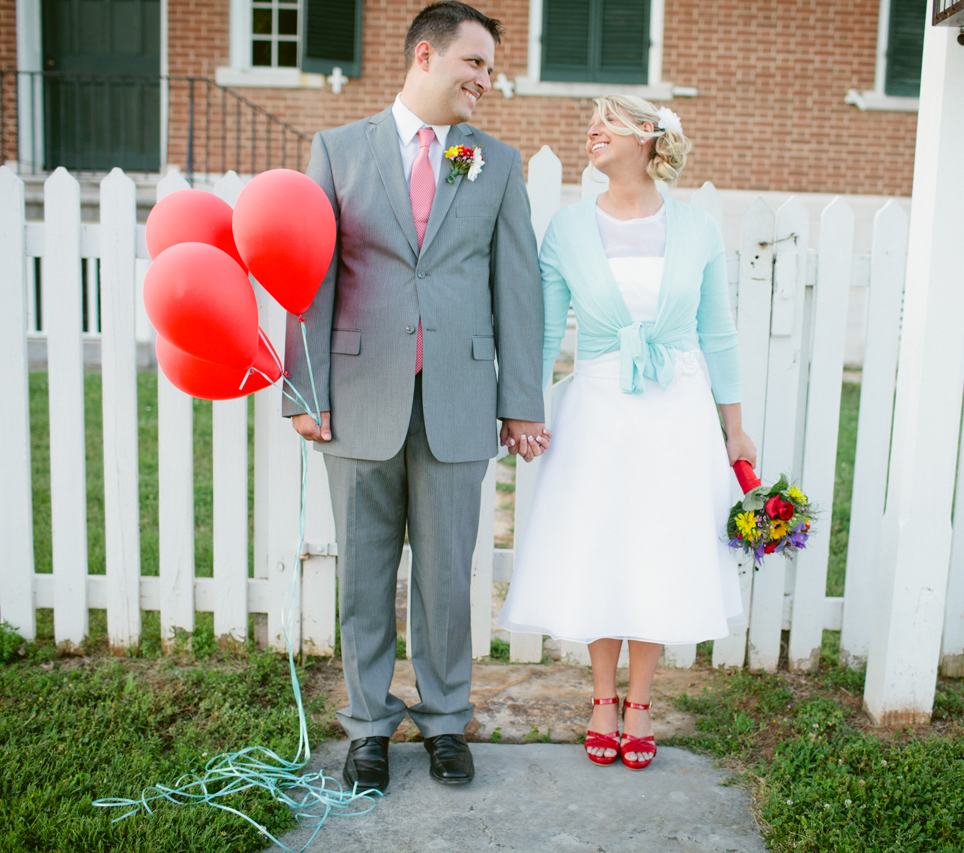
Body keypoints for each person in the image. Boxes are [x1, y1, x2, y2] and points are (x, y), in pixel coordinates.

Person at [283, 1, 548, 794]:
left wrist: (522, 398)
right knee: (363, 573)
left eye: (491, 71)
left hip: (460, 398)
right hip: (358, 395)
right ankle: (367, 726)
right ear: (426, 56)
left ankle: (443, 719)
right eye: (475, 63)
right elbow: (309, 275)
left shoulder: (495, 164)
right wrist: (304, 387)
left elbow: (518, 286)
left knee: (446, 575)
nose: (485, 81)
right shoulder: (337, 150)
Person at [499, 95, 756, 770]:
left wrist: (736, 428)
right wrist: (528, 406)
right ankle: (602, 698)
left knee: (656, 549)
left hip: (677, 410)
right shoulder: (568, 230)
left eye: (609, 121)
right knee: (603, 546)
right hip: (597, 407)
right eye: (591, 120)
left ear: (649, 137)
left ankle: (641, 700)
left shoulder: (697, 230)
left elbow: (718, 332)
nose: (593, 130)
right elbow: (548, 330)